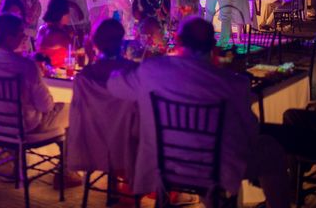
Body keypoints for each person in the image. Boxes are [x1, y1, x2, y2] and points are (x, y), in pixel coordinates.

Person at [107, 17, 291, 208]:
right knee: (270, 148)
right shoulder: (232, 82)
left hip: (164, 165)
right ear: (213, 44)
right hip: (216, 168)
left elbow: (114, 86)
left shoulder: (151, 70)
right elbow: (251, 131)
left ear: (178, 41)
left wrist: (120, 65)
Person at [0, 14, 68, 134]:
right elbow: (45, 106)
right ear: (9, 38)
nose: (24, 36)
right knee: (71, 109)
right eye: (20, 32)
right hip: (27, 127)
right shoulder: (25, 66)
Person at [68, 19, 138, 177]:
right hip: (125, 143)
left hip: (94, 142)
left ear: (96, 43)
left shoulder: (85, 76)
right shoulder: (132, 72)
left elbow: (79, 113)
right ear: (121, 42)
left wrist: (91, 59)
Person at [35, 0, 75, 68]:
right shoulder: (57, 34)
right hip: (55, 75)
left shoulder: (43, 28)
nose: (69, 15)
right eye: (68, 12)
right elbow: (73, 52)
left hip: (45, 71)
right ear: (63, 14)